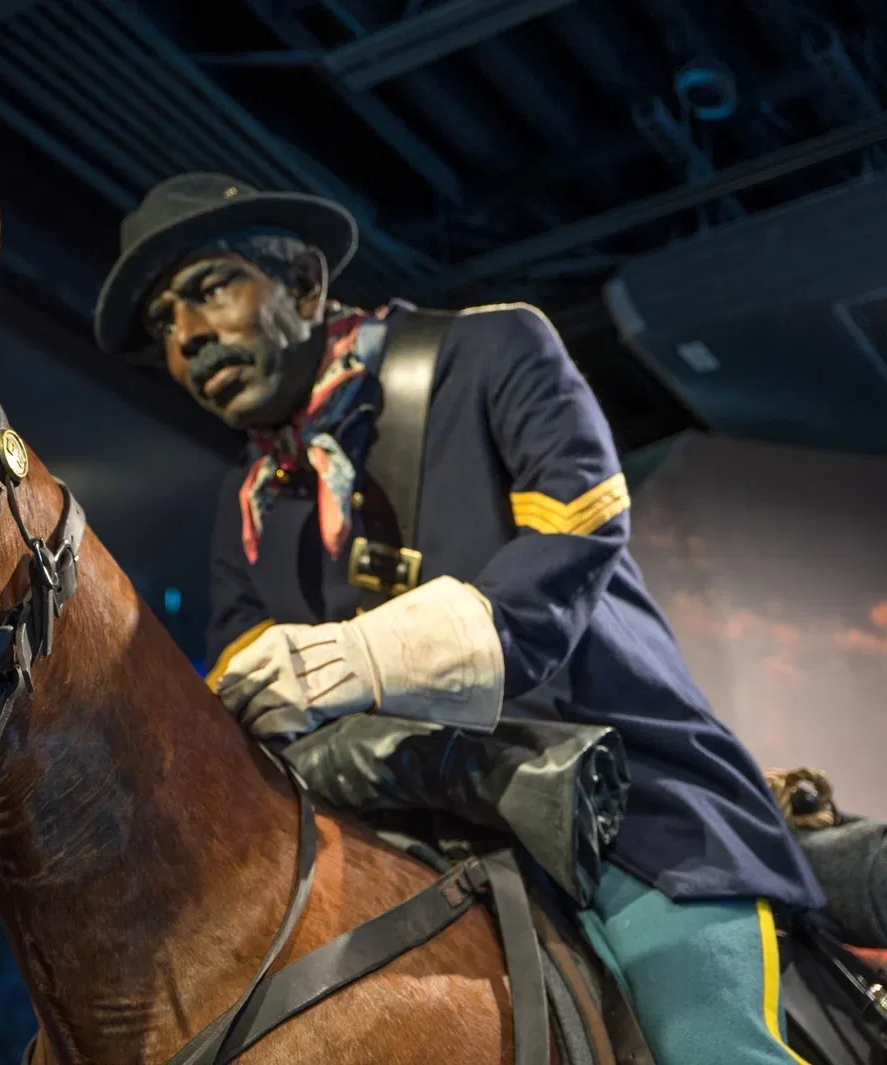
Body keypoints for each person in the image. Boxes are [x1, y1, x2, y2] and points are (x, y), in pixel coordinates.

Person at [93, 172, 825, 1065]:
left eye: (208, 289)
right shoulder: (246, 506)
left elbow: (579, 522)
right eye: (166, 324)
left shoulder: (493, 349)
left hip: (633, 816)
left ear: (307, 285)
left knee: (708, 1048)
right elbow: (254, 709)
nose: (190, 338)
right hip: (407, 838)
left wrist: (365, 655)